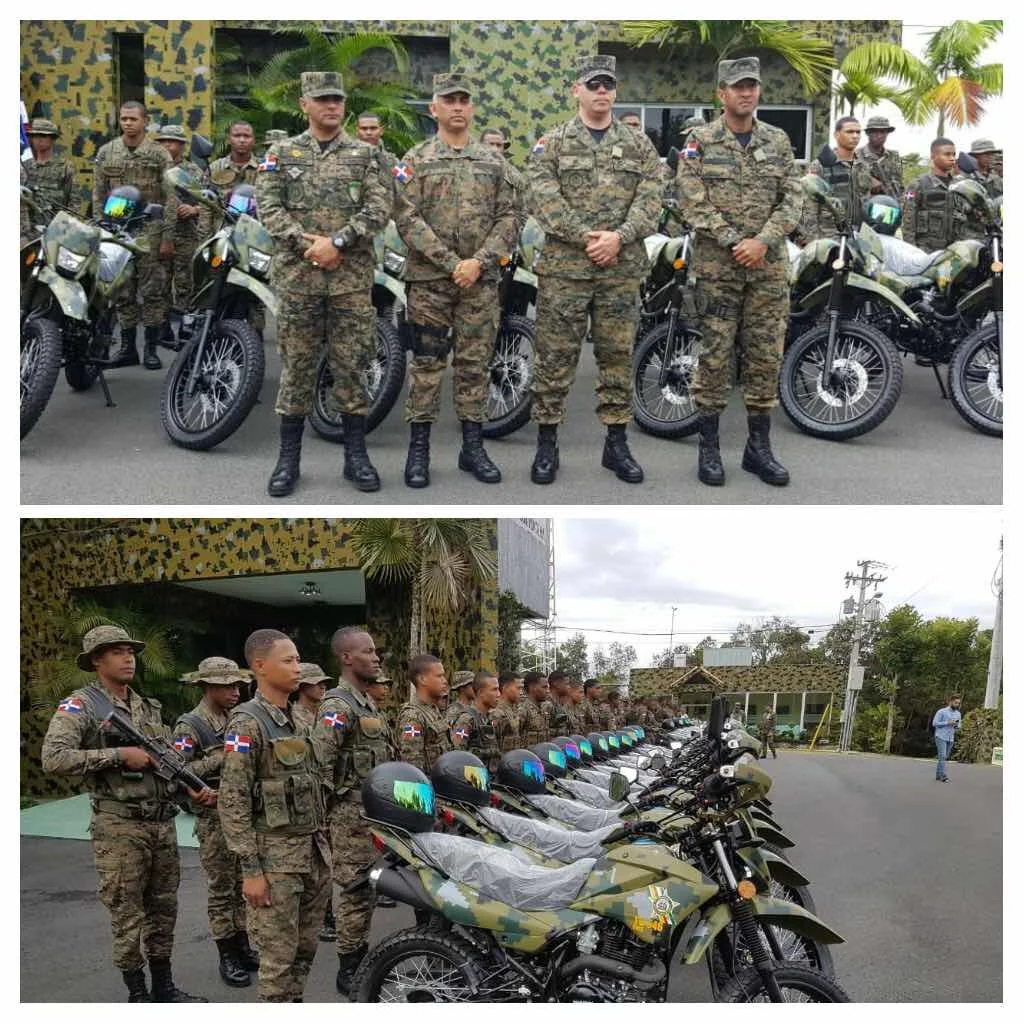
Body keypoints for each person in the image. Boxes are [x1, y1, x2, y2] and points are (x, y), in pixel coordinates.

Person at [40, 625, 209, 1003]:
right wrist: (118, 755)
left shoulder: (148, 708)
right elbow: (53, 758)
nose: (128, 657)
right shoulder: (81, 705)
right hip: (119, 826)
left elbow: (167, 763)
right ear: (97, 660)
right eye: (116, 651)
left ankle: (164, 988)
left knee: (164, 909)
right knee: (126, 913)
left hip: (160, 823)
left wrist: (193, 788)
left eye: (130, 651)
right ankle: (137, 995)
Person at [256, 70, 392, 498]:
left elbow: (379, 208)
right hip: (299, 280)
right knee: (296, 368)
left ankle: (356, 457)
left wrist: (337, 242)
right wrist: (306, 245)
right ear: (304, 105)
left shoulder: (365, 155)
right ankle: (288, 461)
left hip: (349, 281)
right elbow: (268, 206)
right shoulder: (281, 153)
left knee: (351, 367)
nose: (332, 106)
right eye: (323, 99)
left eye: (338, 99)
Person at [527, 55, 662, 485]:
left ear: (615, 92)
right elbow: (543, 199)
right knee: (554, 358)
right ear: (577, 91)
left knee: (617, 358)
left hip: (620, 269)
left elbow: (652, 200)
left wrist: (619, 237)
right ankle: (546, 443)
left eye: (607, 85)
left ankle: (616, 444)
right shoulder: (552, 144)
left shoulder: (640, 146)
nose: (601, 92)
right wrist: (591, 237)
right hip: (567, 270)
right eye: (593, 85)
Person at [676, 57, 801, 489]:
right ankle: (708, 448)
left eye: (752, 86)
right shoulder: (701, 140)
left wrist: (762, 240)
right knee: (714, 357)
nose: (746, 93)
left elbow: (792, 199)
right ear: (721, 94)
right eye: (737, 86)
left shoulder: (779, 141)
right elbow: (691, 200)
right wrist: (734, 240)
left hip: (767, 268)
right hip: (718, 269)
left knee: (765, 356)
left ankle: (757, 449)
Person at [394, 70, 515, 489]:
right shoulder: (416, 159)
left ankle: (472, 448)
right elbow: (406, 218)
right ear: (434, 109)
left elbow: (510, 217)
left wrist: (479, 262)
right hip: (430, 282)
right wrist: (451, 263)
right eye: (449, 100)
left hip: (479, 283)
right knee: (426, 365)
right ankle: (419, 450)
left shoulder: (494, 161)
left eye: (464, 99)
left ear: (473, 108)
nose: (458, 106)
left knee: (474, 365)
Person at [218, 629, 331, 1003]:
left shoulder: (299, 719)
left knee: (305, 950)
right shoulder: (247, 723)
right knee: (277, 961)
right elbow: (232, 799)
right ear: (260, 666)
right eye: (289, 660)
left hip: (312, 855)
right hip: (275, 864)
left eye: (298, 659)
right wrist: (251, 870)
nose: (298, 667)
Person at [312, 626, 394, 995]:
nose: (376, 657)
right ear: (346, 658)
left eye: (376, 652)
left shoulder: (366, 702)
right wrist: (332, 816)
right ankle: (349, 967)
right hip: (348, 817)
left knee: (367, 892)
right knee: (354, 892)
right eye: (369, 652)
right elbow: (319, 766)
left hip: (370, 816)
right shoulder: (337, 706)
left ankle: (359, 956)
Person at [173, 656, 257, 988]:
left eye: (237, 684)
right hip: (213, 818)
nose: (236, 691)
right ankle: (227, 954)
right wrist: (220, 757)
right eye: (227, 685)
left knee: (243, 886)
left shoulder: (237, 719)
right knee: (223, 890)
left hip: (241, 813)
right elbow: (177, 772)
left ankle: (242, 946)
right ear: (207, 686)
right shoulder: (191, 725)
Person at [92, 100, 174, 369]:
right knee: (122, 290)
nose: (128, 123)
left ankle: (150, 348)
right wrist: (99, 227)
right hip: (116, 229)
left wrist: (166, 237)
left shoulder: (159, 154)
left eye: (133, 119)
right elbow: (98, 193)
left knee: (152, 290)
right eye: (123, 118)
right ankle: (128, 349)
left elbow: (171, 196)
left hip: (149, 228)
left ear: (145, 121)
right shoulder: (107, 152)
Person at [155, 124, 207, 333]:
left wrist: (194, 209)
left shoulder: (193, 171)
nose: (167, 145)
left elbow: (209, 201)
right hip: (159, 232)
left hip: (186, 234)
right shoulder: (155, 169)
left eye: (172, 141)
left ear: (182, 145)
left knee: (186, 282)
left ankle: (187, 327)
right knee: (160, 282)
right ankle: (163, 326)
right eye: (163, 141)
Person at [794, 116, 873, 244]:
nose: (855, 136)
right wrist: (812, 241)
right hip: (829, 236)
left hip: (858, 237)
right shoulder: (821, 165)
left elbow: (866, 199)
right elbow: (809, 208)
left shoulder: (863, 166)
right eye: (850, 132)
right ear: (836, 134)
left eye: (858, 132)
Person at [902, 138, 971, 251]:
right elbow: (908, 222)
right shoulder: (919, 184)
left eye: (954, 154)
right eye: (947, 154)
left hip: (954, 251)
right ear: (933, 157)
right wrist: (911, 251)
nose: (952, 159)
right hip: (926, 251)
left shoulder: (959, 186)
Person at [397, 653, 452, 772]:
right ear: (422, 679)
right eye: (439, 676)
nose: (445, 681)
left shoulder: (433, 710)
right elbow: (412, 766)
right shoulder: (412, 716)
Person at [24, 117, 76, 224]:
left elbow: (74, 202)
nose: (39, 140)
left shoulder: (65, 167)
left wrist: (65, 226)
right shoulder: (25, 168)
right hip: (28, 231)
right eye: (35, 136)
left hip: (55, 228)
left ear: (53, 138)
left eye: (43, 135)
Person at [451, 670, 502, 773]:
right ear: (480, 693)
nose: (499, 694)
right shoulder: (466, 719)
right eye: (494, 690)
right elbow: (457, 755)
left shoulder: (489, 718)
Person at [481, 126, 527, 233]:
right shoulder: (468, 169)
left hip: (505, 236)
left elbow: (522, 209)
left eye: (499, 145)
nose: (495, 149)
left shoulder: (514, 174)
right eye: (491, 144)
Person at [857, 115, 903, 198]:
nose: (879, 135)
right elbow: (847, 179)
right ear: (868, 133)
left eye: (883, 132)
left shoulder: (894, 156)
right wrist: (870, 180)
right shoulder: (856, 155)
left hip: (890, 202)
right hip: (863, 204)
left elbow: (899, 183)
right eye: (875, 132)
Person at [209, 121, 260, 192]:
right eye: (237, 136)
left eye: (247, 136)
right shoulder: (215, 167)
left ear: (254, 140)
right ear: (228, 140)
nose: (242, 140)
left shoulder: (262, 168)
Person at [290, 662, 330, 733]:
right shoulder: (292, 717)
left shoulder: (330, 710)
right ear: (302, 685)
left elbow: (347, 732)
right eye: (317, 682)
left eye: (324, 682)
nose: (323, 687)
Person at [932, 694, 962, 782]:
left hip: (950, 738)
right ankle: (943, 776)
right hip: (940, 736)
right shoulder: (941, 711)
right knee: (942, 756)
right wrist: (947, 722)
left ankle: (938, 775)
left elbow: (959, 726)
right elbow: (934, 723)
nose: (957, 705)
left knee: (944, 757)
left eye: (958, 703)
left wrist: (956, 725)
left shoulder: (958, 714)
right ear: (950, 702)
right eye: (956, 703)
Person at [492, 671, 523, 752]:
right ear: (505, 688)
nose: (521, 692)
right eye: (518, 688)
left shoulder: (513, 709)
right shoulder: (496, 712)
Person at [519, 670, 551, 745]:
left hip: (543, 754)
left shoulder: (544, 708)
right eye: (544, 687)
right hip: (528, 755)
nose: (548, 691)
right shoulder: (522, 710)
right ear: (532, 687)